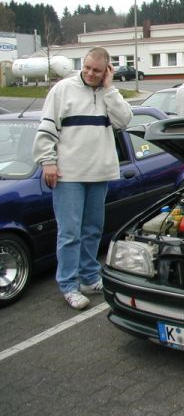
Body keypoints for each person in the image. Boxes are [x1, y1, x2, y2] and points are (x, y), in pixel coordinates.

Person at [32, 46, 132, 310]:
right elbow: (47, 127)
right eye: (87, 67)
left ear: (107, 71)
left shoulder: (108, 92)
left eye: (97, 71)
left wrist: (110, 89)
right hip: (68, 176)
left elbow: (124, 121)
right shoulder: (63, 89)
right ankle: (68, 285)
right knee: (69, 233)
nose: (89, 73)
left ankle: (89, 278)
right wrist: (48, 161)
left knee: (93, 230)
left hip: (98, 173)